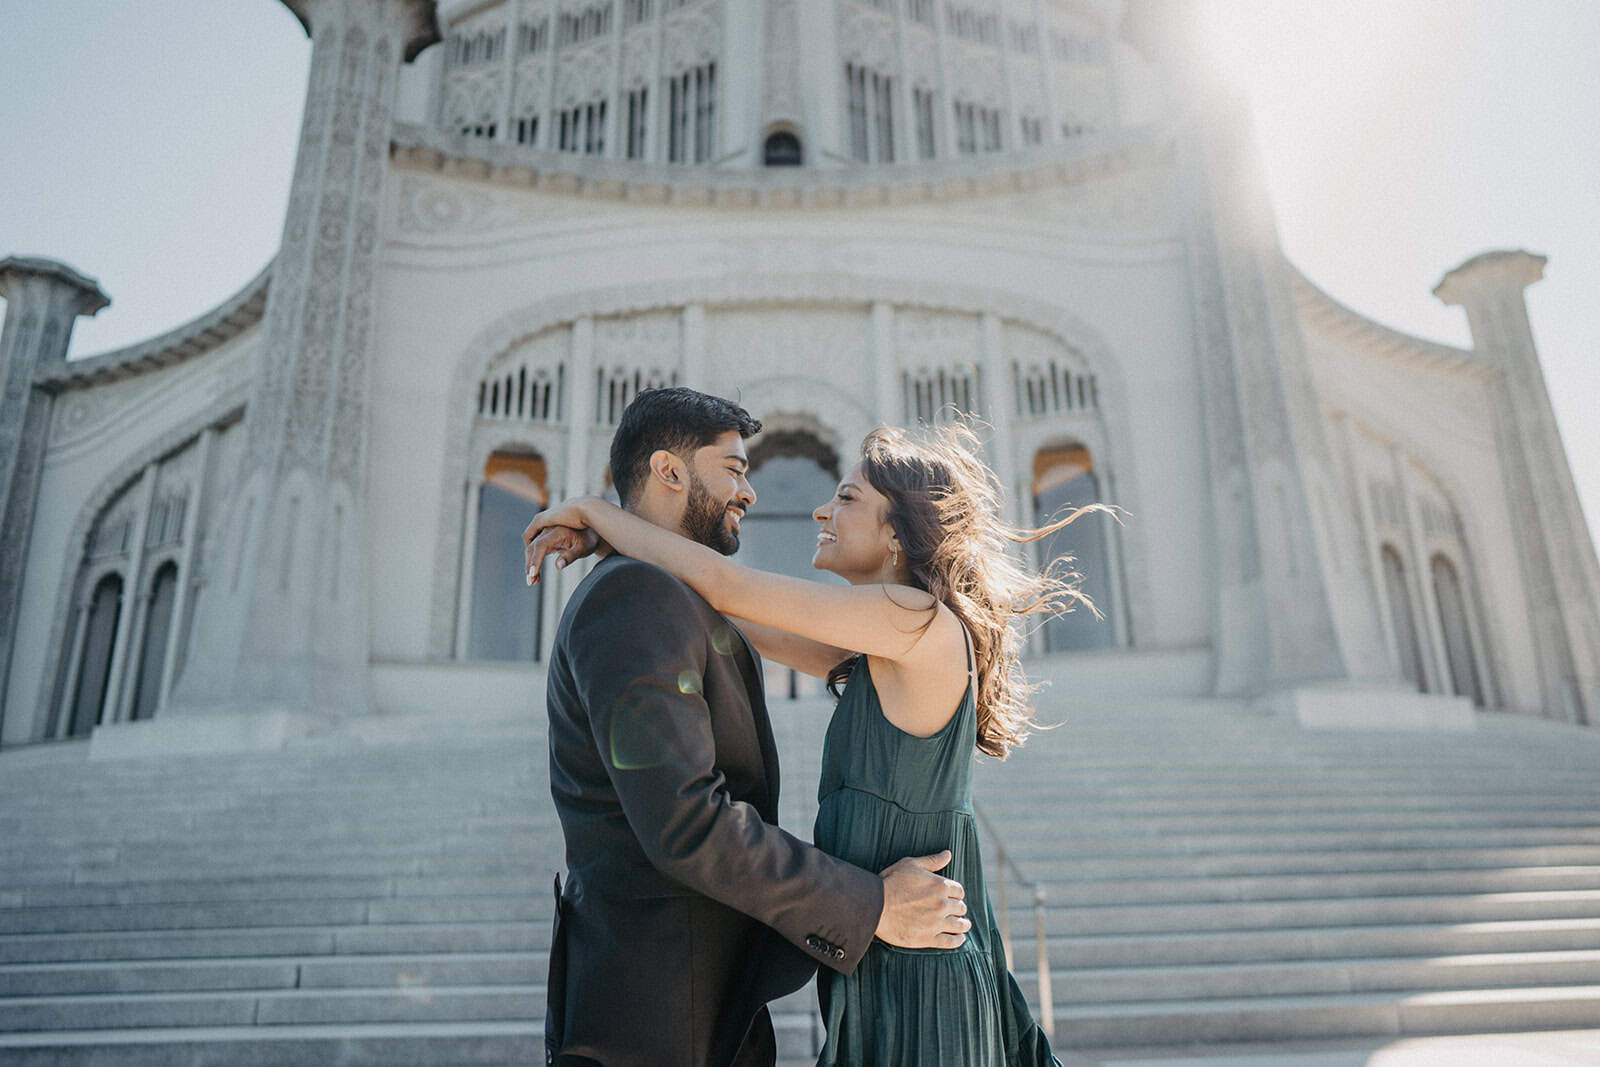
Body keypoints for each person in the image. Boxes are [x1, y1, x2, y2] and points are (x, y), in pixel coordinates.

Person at [527, 411, 1085, 1065]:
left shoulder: (917, 619)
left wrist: (594, 511)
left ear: (899, 533)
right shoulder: (883, 652)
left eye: (846, 498)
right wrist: (622, 536)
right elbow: (726, 608)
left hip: (920, 964)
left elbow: (729, 585)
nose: (820, 511)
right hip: (888, 952)